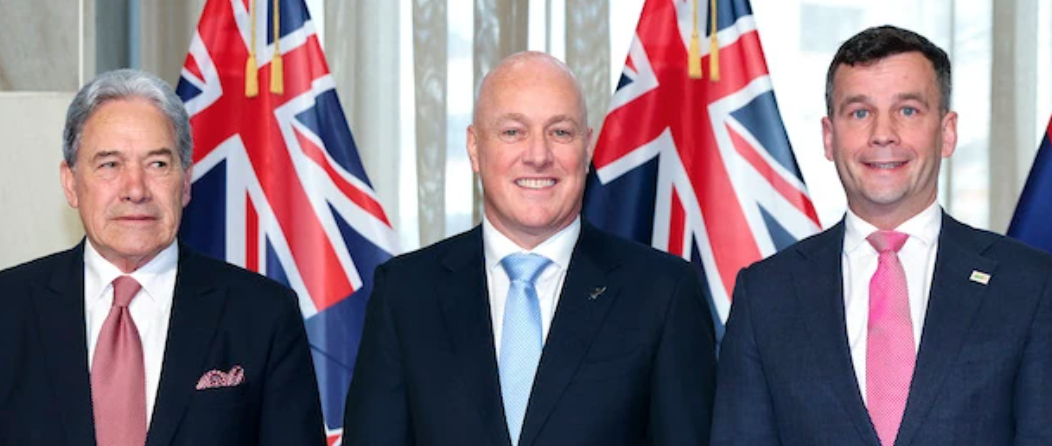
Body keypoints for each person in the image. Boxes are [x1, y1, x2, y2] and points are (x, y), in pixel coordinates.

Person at [343, 51, 716, 446]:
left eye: (560, 132)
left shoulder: (663, 292)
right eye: (512, 132)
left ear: (587, 148)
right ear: (474, 147)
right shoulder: (404, 293)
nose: (538, 156)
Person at [711, 25, 1052, 446]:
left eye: (907, 110)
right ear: (828, 136)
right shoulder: (764, 294)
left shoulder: (1030, 285)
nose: (883, 133)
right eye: (859, 112)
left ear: (947, 132)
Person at [0, 69, 326, 446]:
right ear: (71, 183)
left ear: (185, 182)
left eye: (157, 164)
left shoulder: (263, 313)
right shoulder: (9, 307)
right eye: (110, 164)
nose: (136, 189)